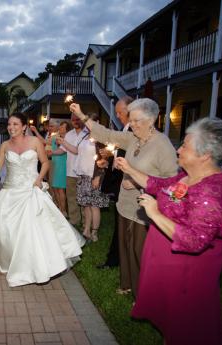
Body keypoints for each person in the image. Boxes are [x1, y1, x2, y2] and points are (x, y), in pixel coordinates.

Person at [115, 118, 222, 345]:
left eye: (185, 146)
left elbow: (194, 240)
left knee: (185, 326)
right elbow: (157, 184)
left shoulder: (214, 192)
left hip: (186, 275)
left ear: (204, 155)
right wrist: (130, 169)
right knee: (170, 323)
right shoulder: (188, 177)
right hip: (166, 264)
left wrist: (154, 214)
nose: (178, 149)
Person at [70, 99, 178, 297]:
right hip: (125, 204)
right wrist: (82, 115)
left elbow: (171, 181)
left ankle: (142, 293)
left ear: (151, 120)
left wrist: (138, 181)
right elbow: (108, 134)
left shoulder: (163, 145)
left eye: (137, 121)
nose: (132, 124)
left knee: (139, 251)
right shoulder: (133, 139)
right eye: (132, 120)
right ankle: (127, 284)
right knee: (126, 248)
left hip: (146, 208)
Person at [0, 113, 85, 287]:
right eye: (9, 124)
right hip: (10, 191)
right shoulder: (4, 145)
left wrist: (39, 178)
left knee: (33, 229)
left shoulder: (35, 142)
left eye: (16, 124)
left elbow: (45, 162)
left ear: (24, 126)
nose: (11, 127)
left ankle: (36, 264)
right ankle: (10, 261)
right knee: (5, 228)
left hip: (31, 190)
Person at [58, 114, 110, 242]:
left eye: (90, 122)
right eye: (86, 122)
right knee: (86, 204)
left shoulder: (100, 138)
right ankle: (86, 229)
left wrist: (98, 176)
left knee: (94, 205)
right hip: (83, 174)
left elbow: (104, 159)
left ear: (96, 122)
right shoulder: (84, 136)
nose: (87, 124)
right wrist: (63, 142)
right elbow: (76, 151)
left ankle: (94, 232)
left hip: (94, 175)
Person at [97, 96, 133, 269]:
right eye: (117, 112)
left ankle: (116, 260)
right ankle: (115, 259)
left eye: (120, 112)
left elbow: (130, 156)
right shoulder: (125, 128)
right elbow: (121, 153)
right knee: (120, 222)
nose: (118, 115)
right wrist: (110, 159)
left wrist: (113, 156)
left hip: (127, 181)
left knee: (123, 223)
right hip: (120, 179)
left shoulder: (133, 130)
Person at [63, 114, 87, 226]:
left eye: (77, 119)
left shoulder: (88, 133)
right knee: (71, 197)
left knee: (83, 199)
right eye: (73, 120)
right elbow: (62, 149)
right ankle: (74, 220)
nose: (75, 121)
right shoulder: (68, 134)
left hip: (84, 171)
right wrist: (50, 152)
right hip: (70, 171)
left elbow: (78, 151)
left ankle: (85, 222)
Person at [50, 121, 70, 216]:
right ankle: (60, 208)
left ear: (67, 129)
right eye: (60, 127)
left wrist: (51, 153)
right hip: (56, 163)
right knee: (55, 187)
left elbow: (62, 151)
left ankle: (64, 211)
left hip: (63, 164)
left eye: (63, 127)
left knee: (61, 188)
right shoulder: (57, 138)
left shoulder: (68, 139)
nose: (60, 128)